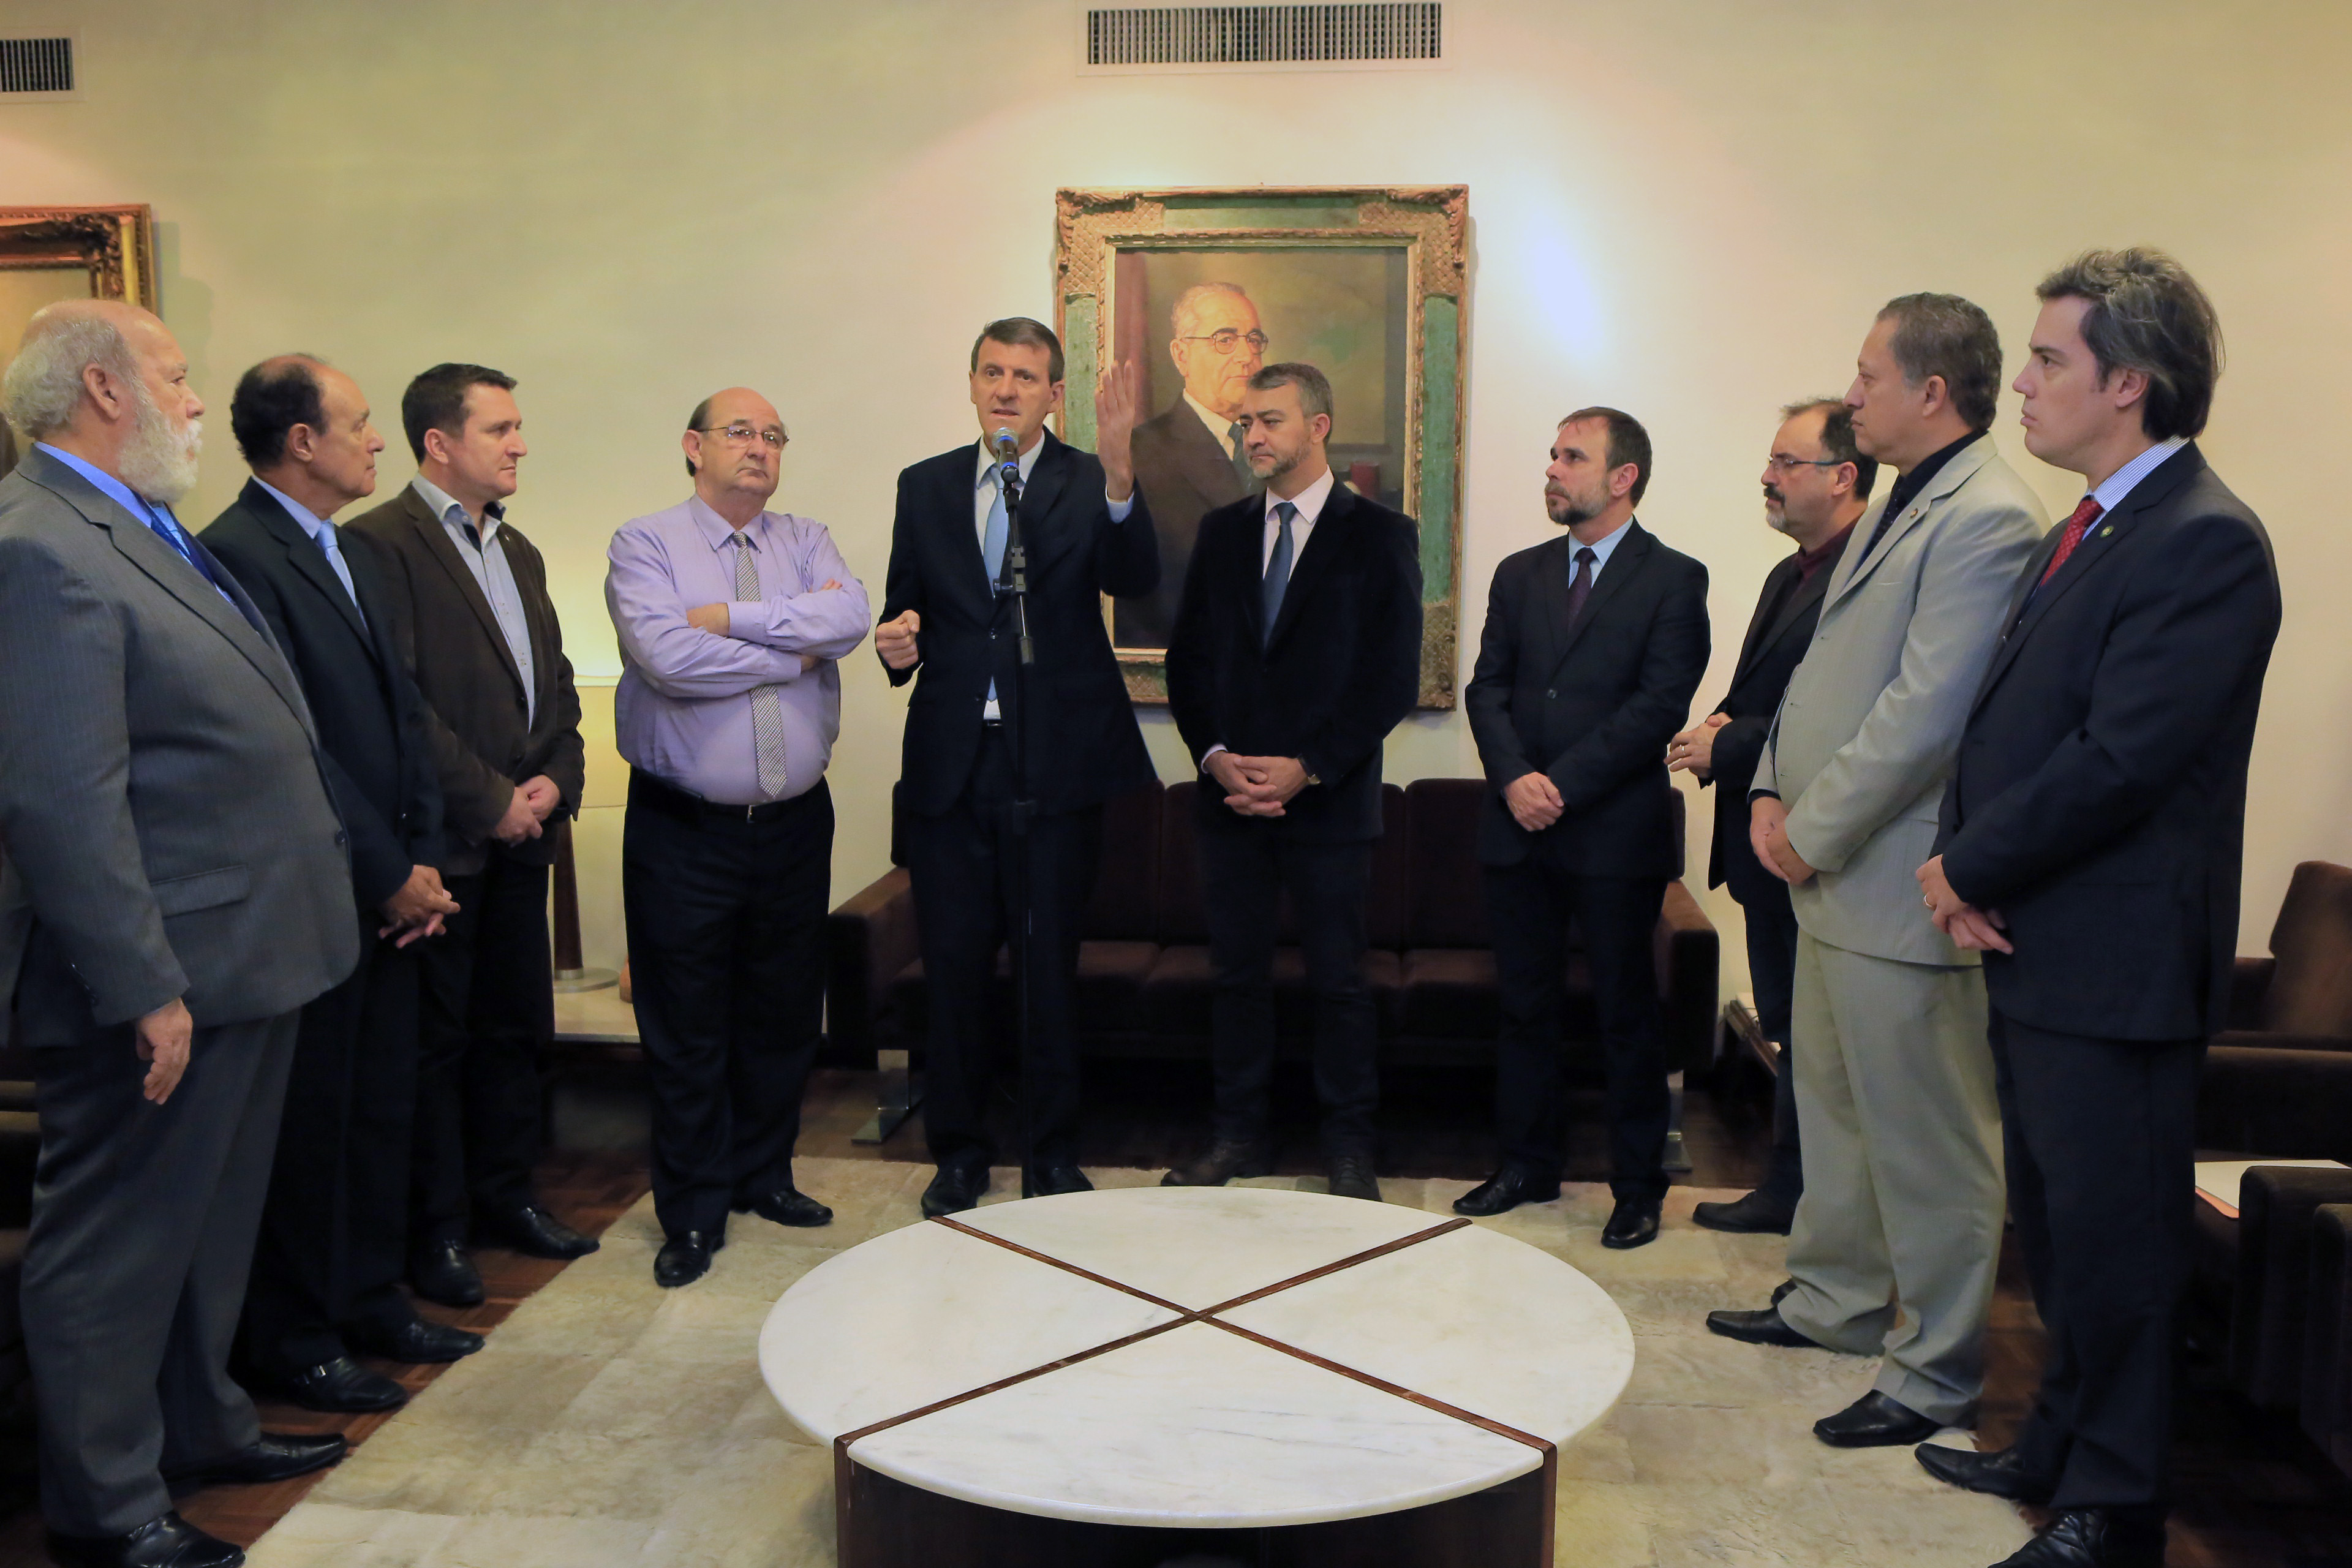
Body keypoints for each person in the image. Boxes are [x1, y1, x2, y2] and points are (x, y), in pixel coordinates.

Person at [1917, 251, 2278, 1568]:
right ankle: (2057, 1443)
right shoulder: (2097, 523)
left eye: (2049, 359)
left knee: (2119, 1247)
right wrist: (1968, 861)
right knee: (2062, 1230)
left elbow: (2120, 758)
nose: (2023, 382)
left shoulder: (2206, 539)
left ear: (2130, 382)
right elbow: (2010, 727)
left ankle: (2115, 1506)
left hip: (2117, 963)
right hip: (2045, 943)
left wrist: (1969, 867)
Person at [0, 301, 353, 1568]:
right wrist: (143, 984)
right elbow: (61, 798)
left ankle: (201, 1425)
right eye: (176, 374)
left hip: (245, 952)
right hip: (159, 974)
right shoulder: (38, 543)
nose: (198, 399)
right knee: (118, 1244)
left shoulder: (138, 522)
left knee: (208, 1225)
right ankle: (106, 1507)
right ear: (105, 389)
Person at [1705, 294, 2046, 1451]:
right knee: (1838, 1110)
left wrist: (1814, 827)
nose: (1852, 397)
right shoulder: (1904, 498)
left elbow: (1929, 713)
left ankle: (1935, 1370)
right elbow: (1816, 673)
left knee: (1929, 1141)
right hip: (1830, 873)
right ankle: (1836, 1301)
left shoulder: (1989, 515)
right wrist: (1767, 789)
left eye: (1866, 377)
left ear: (1931, 391)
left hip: (1896, 878)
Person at [200, 356, 477, 1414]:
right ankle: (296, 1337)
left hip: (396, 883)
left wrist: (424, 856)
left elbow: (400, 712)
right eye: (358, 423)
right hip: (320, 888)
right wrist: (385, 869)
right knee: (311, 1127)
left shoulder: (347, 547)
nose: (377, 440)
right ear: (302, 442)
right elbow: (296, 741)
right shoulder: (239, 553)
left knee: (379, 1110)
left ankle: (370, 1299)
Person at [874, 317, 1158, 1218]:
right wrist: (895, 642)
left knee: (1047, 970)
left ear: (1053, 396)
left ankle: (1052, 1151)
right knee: (954, 969)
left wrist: (1121, 474)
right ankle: (958, 1154)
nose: (1006, 389)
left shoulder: (1087, 477)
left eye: (1026, 377)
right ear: (972, 384)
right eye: (992, 373)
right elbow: (906, 610)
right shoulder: (924, 485)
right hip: (954, 766)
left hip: (1058, 765)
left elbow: (1135, 574)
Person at [605, 388, 872, 1287]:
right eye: (740, 432)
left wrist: (729, 618)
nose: (760, 448)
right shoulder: (646, 544)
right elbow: (668, 660)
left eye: (773, 436)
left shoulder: (806, 539)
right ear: (694, 445)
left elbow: (849, 619)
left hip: (794, 824)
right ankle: (692, 1210)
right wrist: (795, 650)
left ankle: (765, 1175)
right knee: (686, 1023)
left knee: (783, 1013)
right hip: (686, 830)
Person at [349, 363, 595, 1306]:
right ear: (439, 443)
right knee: (437, 1050)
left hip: (523, 838)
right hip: (442, 850)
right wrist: (490, 798)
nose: (520, 444)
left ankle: (507, 1199)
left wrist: (556, 781)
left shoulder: (517, 548)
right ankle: (438, 1232)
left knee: (514, 1034)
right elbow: (400, 708)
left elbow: (558, 685)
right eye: (500, 429)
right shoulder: (380, 544)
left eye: (518, 427)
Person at [1160, 363, 1422, 1199]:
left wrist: (1308, 767)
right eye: (1246, 422)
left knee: (1339, 983)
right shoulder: (1223, 532)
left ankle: (1349, 1148)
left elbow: (1391, 677)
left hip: (1331, 806)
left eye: (1270, 420)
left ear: (1319, 426)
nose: (1253, 436)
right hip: (1230, 801)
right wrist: (1214, 757)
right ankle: (1238, 1136)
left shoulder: (1380, 535)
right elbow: (1187, 663)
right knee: (1236, 980)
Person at [1460, 408, 1709, 1249]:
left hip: (1613, 836)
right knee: (1523, 1009)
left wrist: (1558, 787)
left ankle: (1637, 1188)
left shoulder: (1674, 579)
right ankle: (1526, 1164)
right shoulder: (1519, 573)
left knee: (1625, 1015)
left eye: (1573, 457)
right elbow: (1488, 689)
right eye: (1553, 455)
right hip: (1517, 829)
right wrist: (1514, 778)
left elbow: (1658, 707)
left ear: (1623, 476)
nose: (1553, 469)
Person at [1675, 399, 1872, 1235]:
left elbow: (1851, 718)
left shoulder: (1866, 575)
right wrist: (1725, 722)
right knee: (1790, 1029)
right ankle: (1790, 1193)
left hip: (1816, 844)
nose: (1768, 476)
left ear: (1843, 475)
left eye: (1787, 462)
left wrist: (1731, 742)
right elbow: (1776, 693)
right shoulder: (1788, 573)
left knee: (1823, 1043)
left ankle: (1814, 1204)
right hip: (1763, 846)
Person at [1122, 282, 1265, 646]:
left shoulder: (1282, 448)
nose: (1247, 355)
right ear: (1181, 355)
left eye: (1254, 340)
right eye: (1225, 339)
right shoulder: (1138, 455)